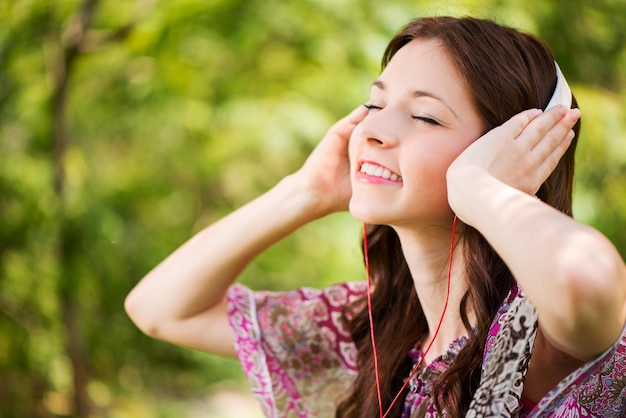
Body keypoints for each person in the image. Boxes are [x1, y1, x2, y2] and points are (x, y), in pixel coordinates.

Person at [125, 16, 626, 417]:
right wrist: (305, 191)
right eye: (374, 102)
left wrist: (479, 187)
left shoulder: (544, 336)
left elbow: (586, 276)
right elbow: (160, 309)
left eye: (425, 115)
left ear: (515, 145)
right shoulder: (373, 334)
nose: (373, 129)